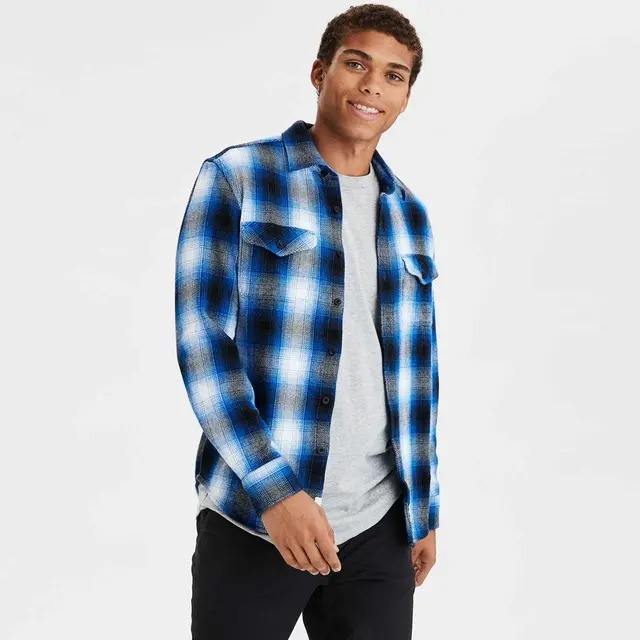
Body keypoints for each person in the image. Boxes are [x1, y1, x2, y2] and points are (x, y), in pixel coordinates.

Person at [174, 4, 441, 638]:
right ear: (320, 72)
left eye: (394, 75)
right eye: (356, 64)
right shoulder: (239, 178)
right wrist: (276, 491)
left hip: (381, 524)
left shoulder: (409, 213)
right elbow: (203, 343)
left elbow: (418, 367)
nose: (373, 85)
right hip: (258, 517)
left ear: (405, 98)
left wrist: (424, 504)